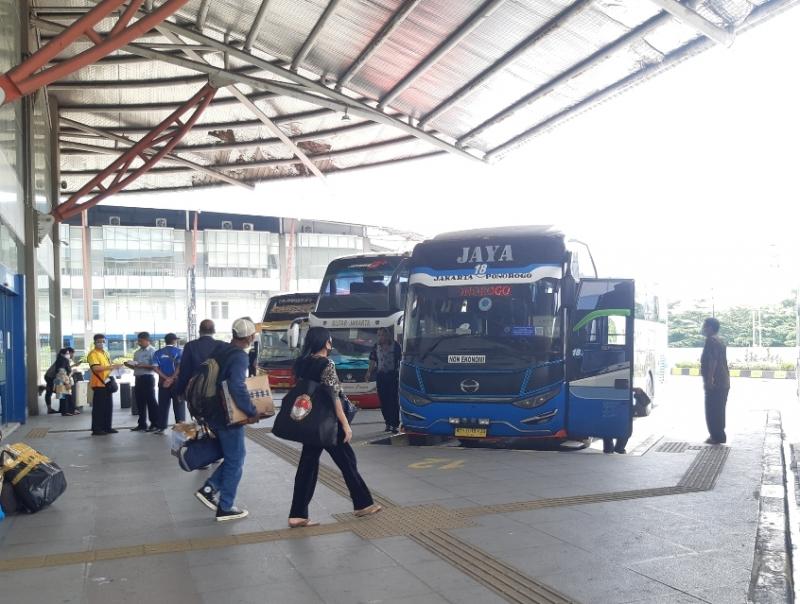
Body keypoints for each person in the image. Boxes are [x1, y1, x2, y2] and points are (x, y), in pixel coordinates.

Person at [289, 326, 382, 528]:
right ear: (325, 342)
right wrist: (345, 424)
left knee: (307, 466)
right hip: (328, 423)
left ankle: (297, 514)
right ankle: (363, 504)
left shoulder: (301, 363)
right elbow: (334, 396)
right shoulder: (326, 364)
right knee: (347, 461)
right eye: (330, 340)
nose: (331, 344)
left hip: (309, 423)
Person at [194, 318, 260, 522]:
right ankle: (225, 506)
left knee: (234, 457)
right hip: (227, 414)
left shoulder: (220, 349)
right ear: (249, 337)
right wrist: (250, 411)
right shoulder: (240, 357)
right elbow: (237, 386)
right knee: (236, 459)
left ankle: (209, 488)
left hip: (211, 410)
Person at [176, 319, 225, 397]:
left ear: (199, 331)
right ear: (214, 331)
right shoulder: (222, 345)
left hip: (195, 390)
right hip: (216, 391)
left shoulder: (190, 346)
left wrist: (180, 391)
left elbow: (185, 371)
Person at [366, 327, 402, 433]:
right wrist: (368, 372)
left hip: (393, 376)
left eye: (382, 335)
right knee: (383, 400)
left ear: (387, 335)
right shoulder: (376, 347)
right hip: (381, 376)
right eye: (379, 335)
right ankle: (388, 423)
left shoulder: (395, 346)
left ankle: (395, 423)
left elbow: (400, 360)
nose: (380, 337)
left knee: (393, 400)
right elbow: (372, 360)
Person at [701, 317, 730, 444]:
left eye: (705, 326)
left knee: (712, 409)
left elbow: (713, 361)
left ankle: (716, 436)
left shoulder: (711, 341)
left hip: (716, 382)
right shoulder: (720, 340)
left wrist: (709, 380)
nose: (703, 328)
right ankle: (719, 435)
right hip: (723, 381)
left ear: (711, 328)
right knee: (719, 409)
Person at [125, 332, 161, 433]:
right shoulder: (137, 352)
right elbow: (136, 366)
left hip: (148, 378)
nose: (139, 342)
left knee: (151, 402)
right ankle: (142, 424)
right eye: (138, 340)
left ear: (147, 340)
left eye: (141, 341)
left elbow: (155, 366)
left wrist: (143, 365)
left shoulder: (153, 351)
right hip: (138, 378)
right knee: (139, 401)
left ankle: (155, 424)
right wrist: (130, 365)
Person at [87, 334, 123, 436]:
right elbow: (95, 368)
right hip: (98, 384)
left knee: (108, 407)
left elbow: (108, 368)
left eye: (103, 341)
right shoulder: (93, 354)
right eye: (99, 341)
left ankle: (107, 427)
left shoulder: (105, 353)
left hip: (107, 383)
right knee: (99, 408)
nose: (101, 343)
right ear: (94, 342)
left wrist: (116, 369)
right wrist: (112, 366)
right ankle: (97, 429)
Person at [153, 333, 184, 428]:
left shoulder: (157, 353)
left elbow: (155, 368)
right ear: (174, 341)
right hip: (176, 382)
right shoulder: (179, 351)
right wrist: (172, 378)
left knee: (163, 406)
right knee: (179, 406)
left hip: (163, 382)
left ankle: (161, 427)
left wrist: (166, 379)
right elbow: (180, 367)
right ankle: (180, 426)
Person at [43, 347, 76, 415]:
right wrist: (65, 381)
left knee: (62, 392)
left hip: (58, 377)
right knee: (57, 392)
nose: (72, 355)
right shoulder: (63, 359)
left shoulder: (63, 359)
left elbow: (65, 369)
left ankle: (66, 410)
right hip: (51, 377)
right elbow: (61, 370)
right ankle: (61, 410)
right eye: (70, 353)